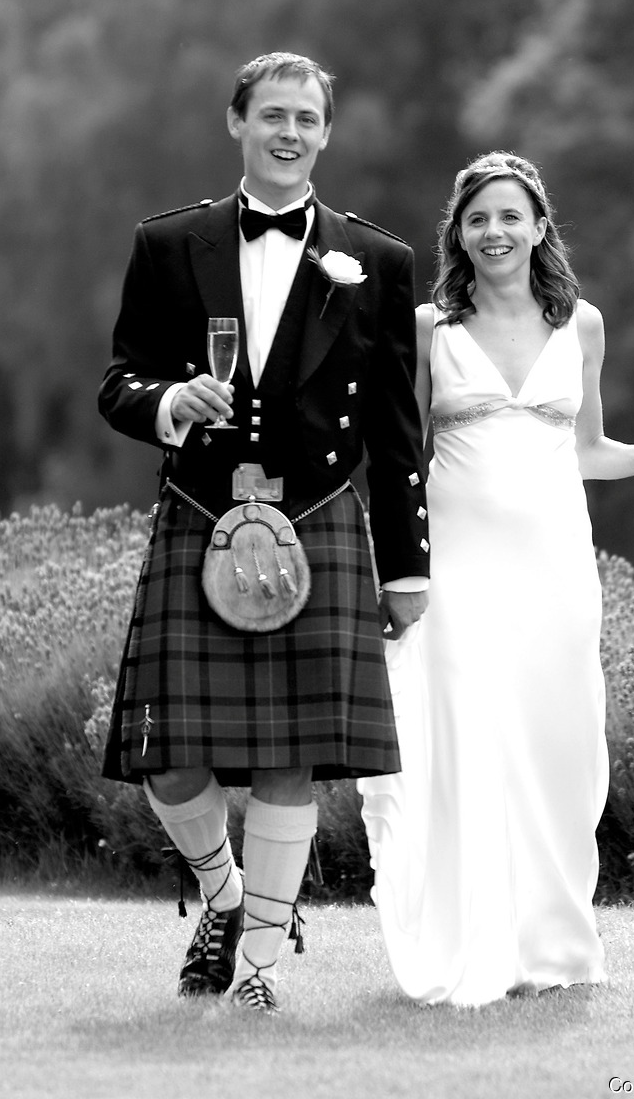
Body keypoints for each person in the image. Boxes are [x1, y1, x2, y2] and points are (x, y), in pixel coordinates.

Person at [99, 52, 429, 1012]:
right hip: (201, 510)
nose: (290, 133)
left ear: (326, 134)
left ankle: (257, 972)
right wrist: (170, 403)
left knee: (292, 760)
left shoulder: (377, 262)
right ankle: (227, 895)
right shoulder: (170, 244)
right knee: (167, 753)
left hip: (318, 516)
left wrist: (406, 567)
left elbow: (396, 432)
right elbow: (119, 382)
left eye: (307, 119)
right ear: (237, 122)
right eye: (273, 114)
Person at [359, 151, 634, 1007]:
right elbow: (401, 457)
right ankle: (471, 941)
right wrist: (396, 565)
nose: (495, 232)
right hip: (457, 571)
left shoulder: (582, 325)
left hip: (555, 569)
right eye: (477, 218)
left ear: (540, 226)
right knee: (469, 742)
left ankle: (551, 948)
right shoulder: (429, 329)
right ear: (458, 234)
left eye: (510, 216)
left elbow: (586, 450)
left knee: (555, 747)